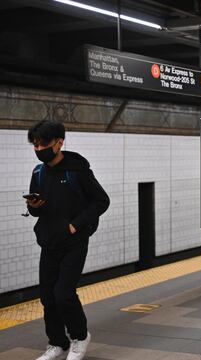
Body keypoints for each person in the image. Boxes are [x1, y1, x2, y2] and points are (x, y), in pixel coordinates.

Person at [26, 120, 110, 360]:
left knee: (64, 293)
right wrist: (34, 207)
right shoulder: (38, 172)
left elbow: (102, 201)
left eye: (44, 144)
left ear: (60, 142)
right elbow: (36, 210)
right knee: (47, 296)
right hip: (49, 241)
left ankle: (80, 337)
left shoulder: (77, 170)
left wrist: (76, 225)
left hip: (74, 242)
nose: (39, 149)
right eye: (35, 145)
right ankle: (57, 343)